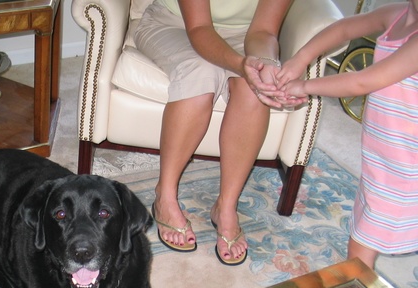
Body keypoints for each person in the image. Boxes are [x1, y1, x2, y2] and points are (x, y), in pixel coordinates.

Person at [134, 0, 293, 264]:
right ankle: (165, 195)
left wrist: (263, 64)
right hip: (177, 25)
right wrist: (239, 65)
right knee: (200, 75)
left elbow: (263, 31)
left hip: (245, 35)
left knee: (255, 93)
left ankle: (226, 206)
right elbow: (199, 28)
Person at [277, 1, 418, 269]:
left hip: (408, 168)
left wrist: (304, 86)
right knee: (366, 225)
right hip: (385, 156)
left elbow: (363, 81)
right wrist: (300, 59)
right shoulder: (396, 13)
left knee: (361, 246)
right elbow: (342, 29)